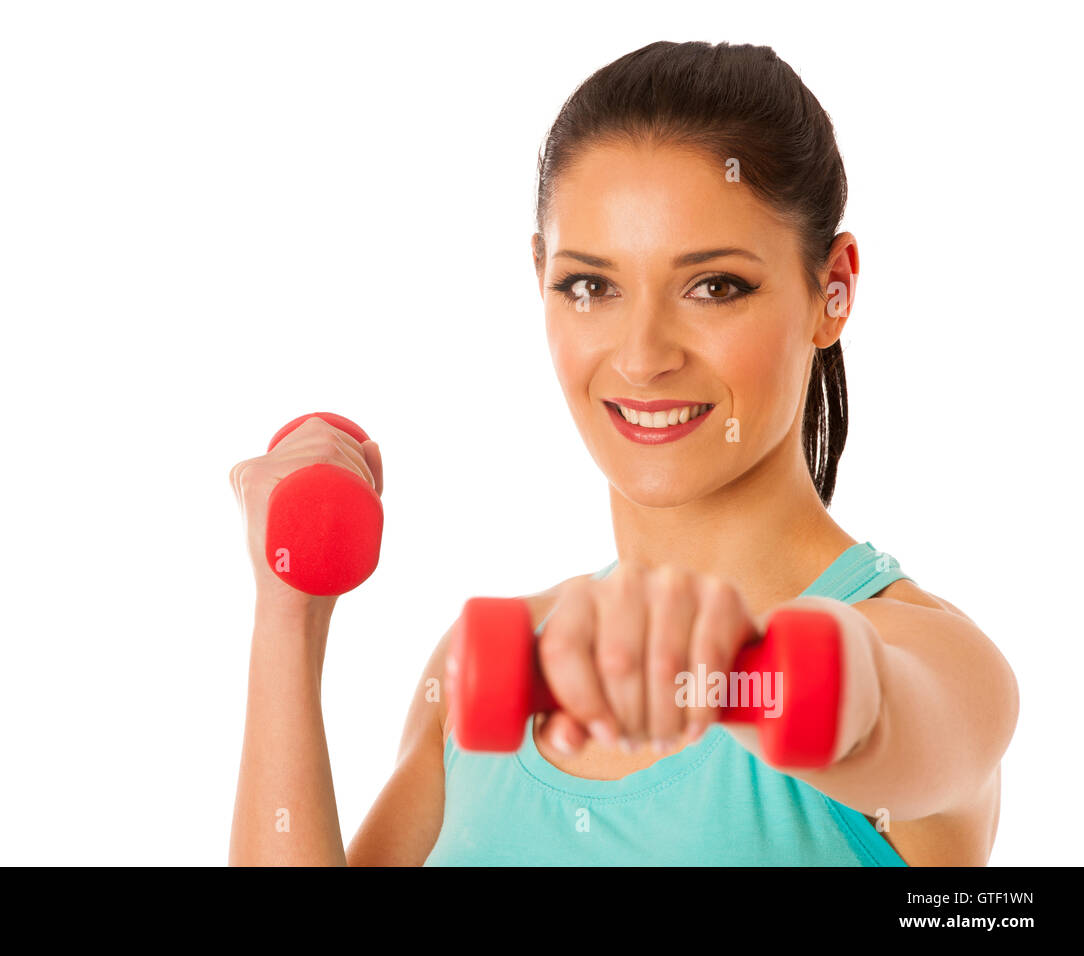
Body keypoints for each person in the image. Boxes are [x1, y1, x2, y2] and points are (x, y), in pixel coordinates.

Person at [227, 40, 1018, 866]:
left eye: (715, 286)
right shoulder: (480, 662)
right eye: (590, 286)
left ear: (833, 290)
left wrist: (713, 671)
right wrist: (289, 611)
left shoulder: (939, 662)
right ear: (541, 278)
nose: (642, 357)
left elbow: (868, 708)